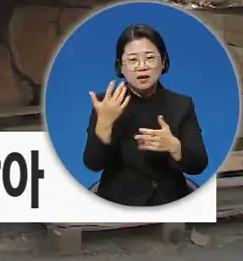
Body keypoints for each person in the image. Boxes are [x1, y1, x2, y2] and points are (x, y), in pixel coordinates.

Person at [82, 23, 209, 206]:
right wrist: (103, 127)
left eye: (150, 58)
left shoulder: (181, 104)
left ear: (163, 62)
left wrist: (175, 147)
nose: (142, 66)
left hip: (171, 202)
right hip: (119, 204)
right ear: (121, 66)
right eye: (133, 60)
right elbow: (93, 164)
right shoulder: (106, 104)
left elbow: (199, 164)